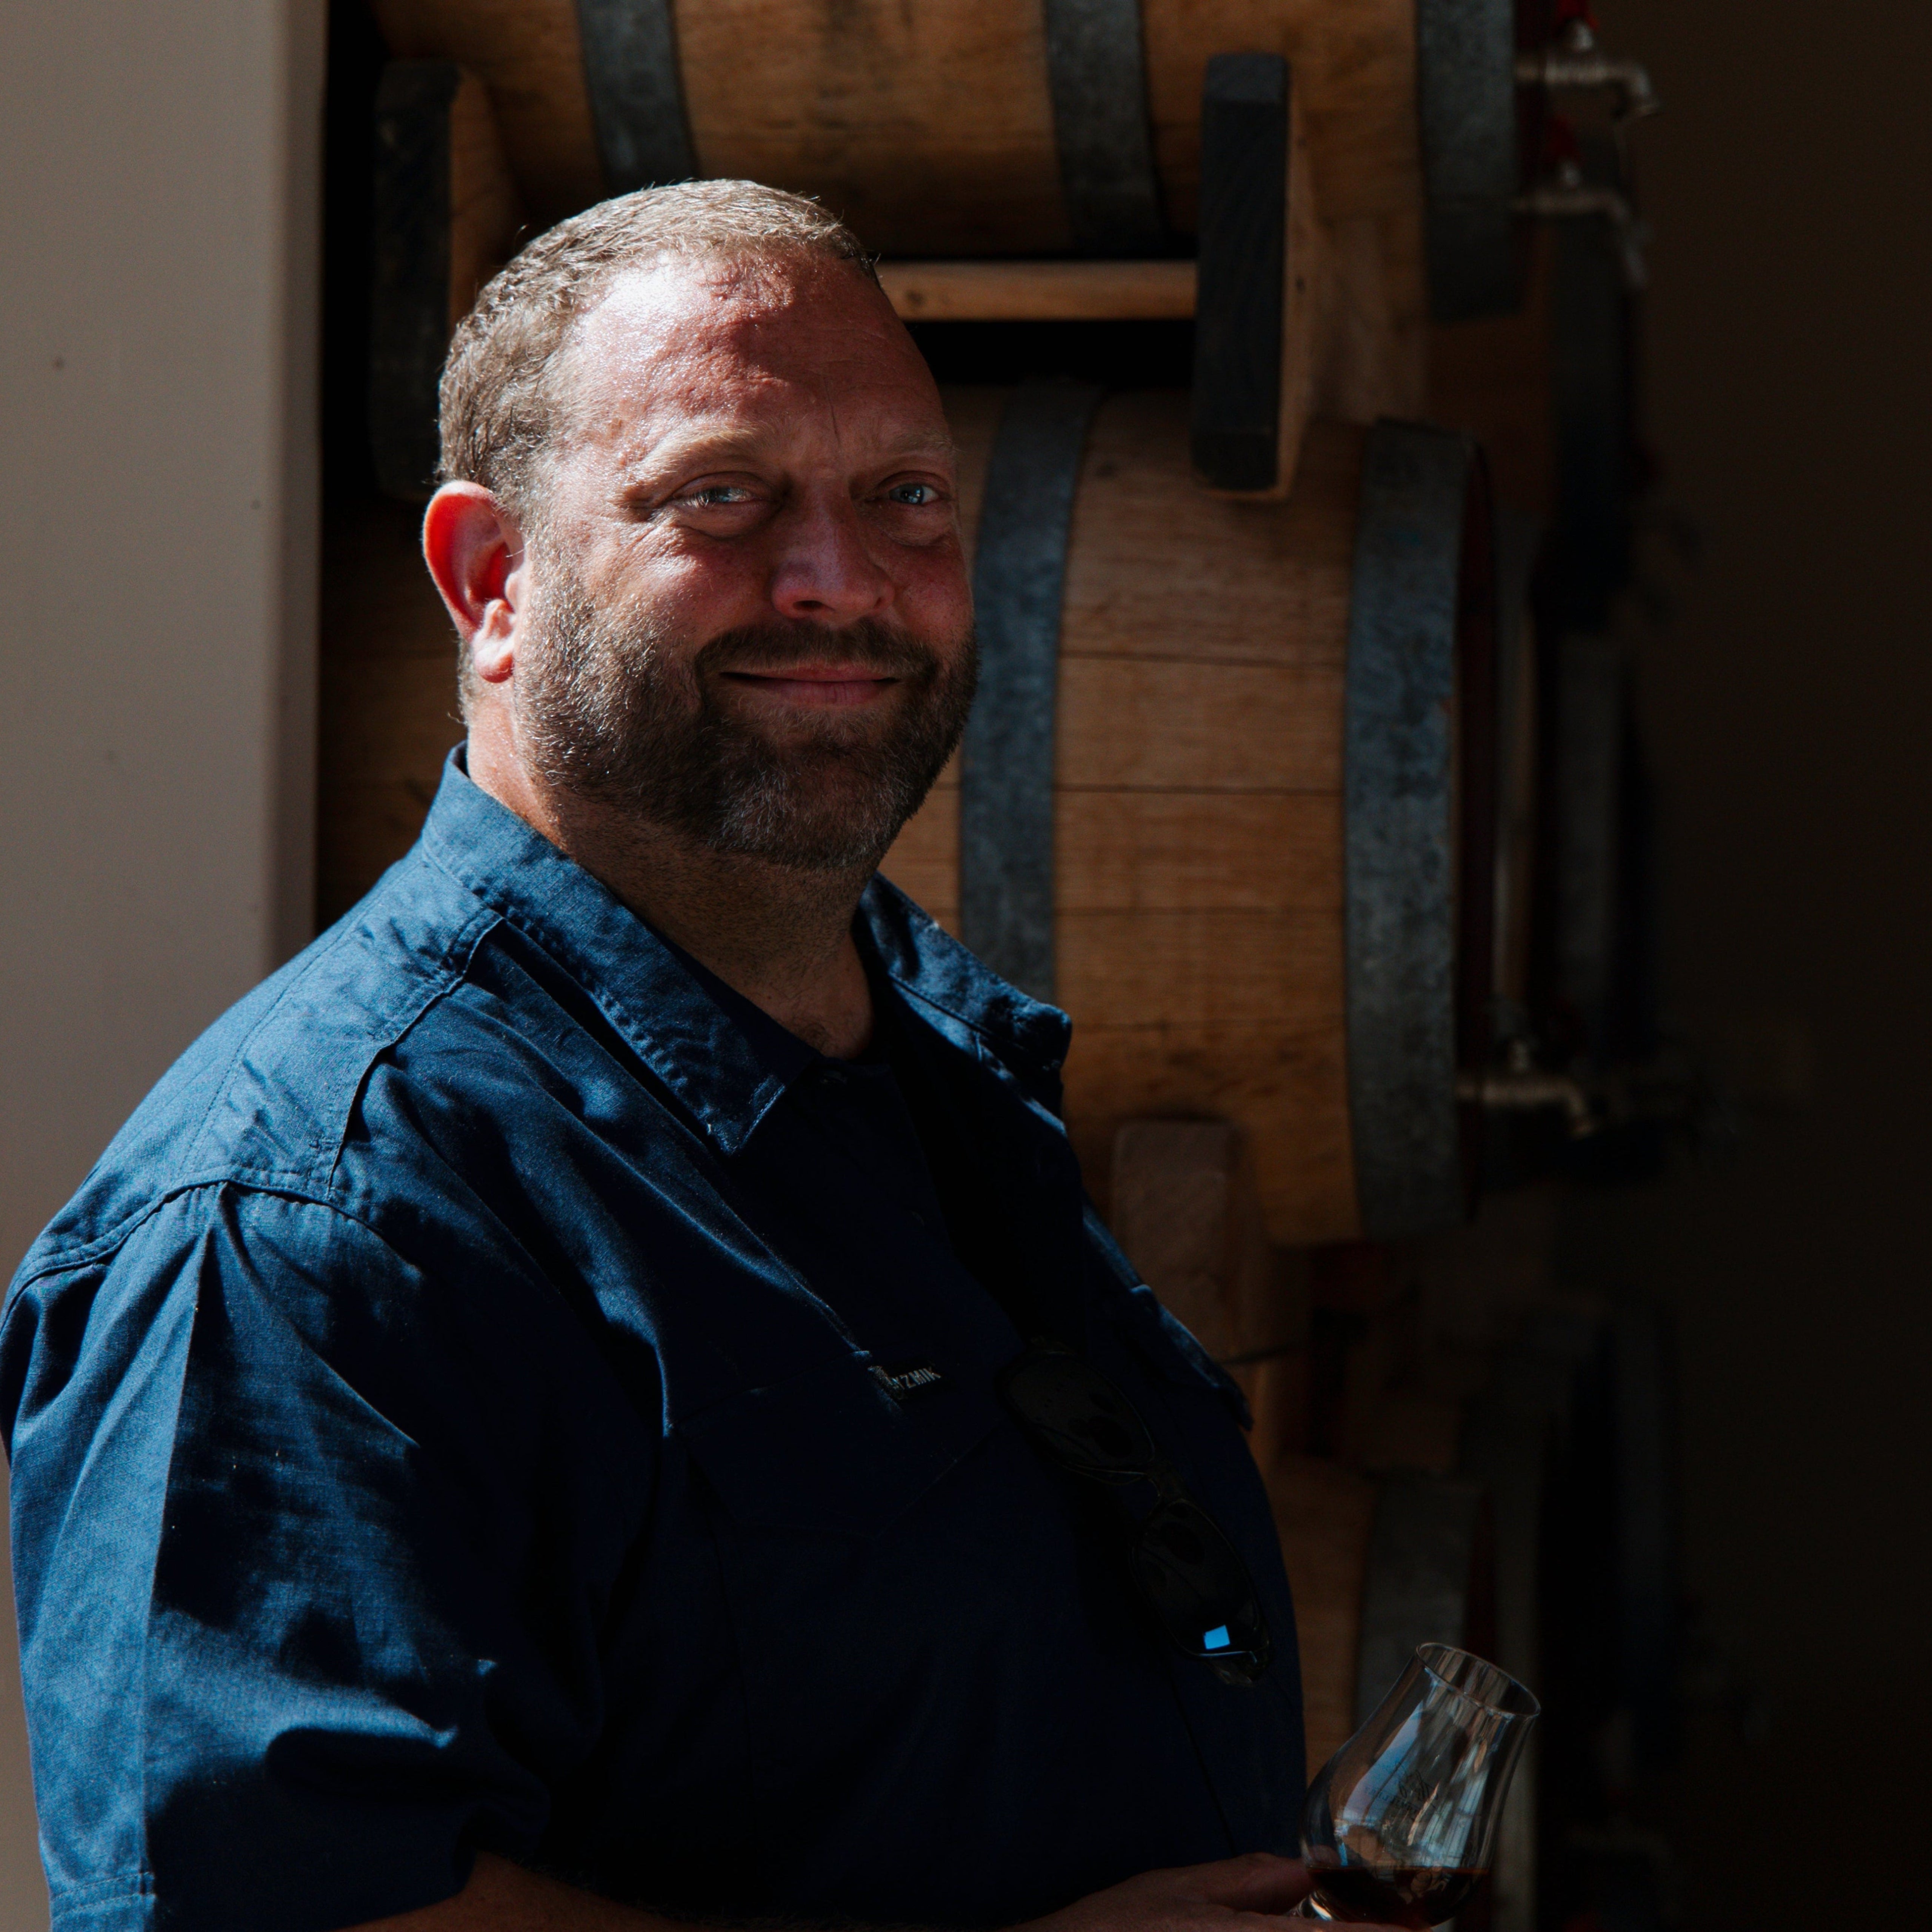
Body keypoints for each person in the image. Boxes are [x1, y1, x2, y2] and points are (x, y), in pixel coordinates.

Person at [2, 181, 1311, 1932]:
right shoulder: (310, 1220)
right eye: (723, 495)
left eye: (902, 497)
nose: (839, 579)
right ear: (492, 580)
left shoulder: (920, 1076)